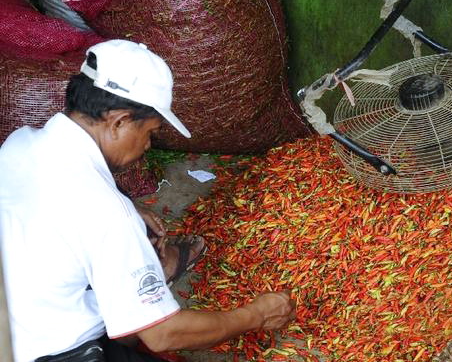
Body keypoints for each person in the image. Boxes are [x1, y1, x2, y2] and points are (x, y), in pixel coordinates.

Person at [0, 39, 296, 362]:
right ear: (119, 122)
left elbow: (64, 203)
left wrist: (131, 210)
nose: (147, 147)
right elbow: (163, 334)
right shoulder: (108, 214)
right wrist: (255, 315)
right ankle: (144, 296)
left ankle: (141, 288)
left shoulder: (18, 144)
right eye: (151, 133)